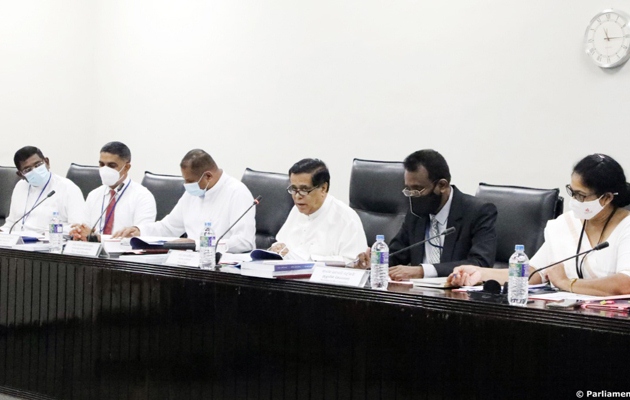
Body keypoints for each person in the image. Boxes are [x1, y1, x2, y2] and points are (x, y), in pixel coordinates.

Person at [449, 154, 630, 296]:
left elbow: (625, 284)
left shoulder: (626, 226)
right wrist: (480, 273)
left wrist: (567, 283)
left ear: (606, 198)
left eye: (580, 195)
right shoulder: (566, 225)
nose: (574, 200)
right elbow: (534, 272)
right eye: (572, 192)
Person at [356, 149, 497, 279]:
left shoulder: (479, 212)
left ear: (442, 185)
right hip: (417, 293)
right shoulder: (416, 213)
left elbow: (480, 264)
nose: (412, 196)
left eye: (417, 189)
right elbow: (396, 255)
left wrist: (423, 271)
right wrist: (374, 262)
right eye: (408, 189)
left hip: (457, 294)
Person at [114, 149, 256, 253]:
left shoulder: (237, 193)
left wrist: (197, 244)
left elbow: (244, 242)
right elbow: (169, 227)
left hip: (223, 268)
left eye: (190, 181)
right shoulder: (192, 193)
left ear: (208, 176)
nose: (186, 185)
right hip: (190, 262)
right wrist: (140, 231)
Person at [268, 158, 367, 263]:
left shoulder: (347, 218)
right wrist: (276, 249)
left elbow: (353, 262)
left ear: (323, 188)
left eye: (304, 190)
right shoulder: (297, 210)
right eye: (293, 189)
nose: (297, 196)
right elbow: (282, 243)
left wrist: (310, 259)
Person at [69, 142, 157, 241]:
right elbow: (86, 231)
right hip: (93, 250)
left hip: (124, 251)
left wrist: (97, 238)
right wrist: (79, 233)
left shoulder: (143, 196)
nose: (105, 170)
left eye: (111, 165)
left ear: (126, 167)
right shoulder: (94, 195)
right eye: (102, 164)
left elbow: (141, 239)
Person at [1, 146, 85, 234]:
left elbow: (78, 228)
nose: (35, 171)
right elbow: (11, 224)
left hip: (50, 240)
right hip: (18, 241)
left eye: (38, 165)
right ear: (20, 174)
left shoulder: (68, 188)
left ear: (47, 162)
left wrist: (48, 232)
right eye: (28, 169)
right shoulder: (20, 186)